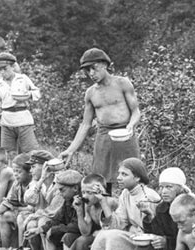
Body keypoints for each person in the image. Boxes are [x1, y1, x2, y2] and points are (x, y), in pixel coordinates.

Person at [59, 48, 141, 191]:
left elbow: (136, 112)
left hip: (125, 135)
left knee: (131, 173)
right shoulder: (90, 93)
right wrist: (70, 150)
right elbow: (85, 124)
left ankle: (131, 207)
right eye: (87, 70)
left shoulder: (122, 83)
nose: (91, 74)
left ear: (104, 65)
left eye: (94, 68)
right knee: (102, 179)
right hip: (104, 136)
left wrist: (131, 126)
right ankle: (106, 208)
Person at [128, 167, 195, 250]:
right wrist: (149, 215)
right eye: (161, 187)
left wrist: (166, 242)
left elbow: (189, 239)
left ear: (180, 188)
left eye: (169, 187)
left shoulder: (191, 206)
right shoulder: (162, 208)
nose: (163, 191)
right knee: (145, 246)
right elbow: (156, 232)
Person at [89, 158, 161, 250]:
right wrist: (102, 200)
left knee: (112, 237)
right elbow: (117, 224)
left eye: (124, 174)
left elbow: (155, 228)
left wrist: (133, 229)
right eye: (119, 173)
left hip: (149, 244)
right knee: (104, 234)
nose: (118, 177)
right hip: (133, 236)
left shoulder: (149, 196)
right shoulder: (126, 193)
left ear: (137, 178)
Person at [0, 52, 41, 155]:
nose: (2, 72)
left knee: (30, 152)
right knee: (8, 153)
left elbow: (37, 93)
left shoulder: (23, 79)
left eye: (5, 68)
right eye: (0, 69)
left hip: (23, 120)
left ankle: (30, 170)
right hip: (7, 121)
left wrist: (28, 95)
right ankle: (11, 170)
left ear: (13, 66)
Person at [68, 173, 119, 250]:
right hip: (99, 235)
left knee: (85, 241)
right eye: (83, 192)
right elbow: (85, 232)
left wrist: (100, 232)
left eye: (89, 192)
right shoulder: (89, 205)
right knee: (81, 240)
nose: (85, 196)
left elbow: (115, 226)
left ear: (100, 191)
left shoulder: (111, 203)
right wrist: (79, 212)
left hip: (113, 238)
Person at [17, 151, 61, 250]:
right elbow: (28, 200)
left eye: (33, 167)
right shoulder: (36, 182)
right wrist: (41, 179)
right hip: (41, 216)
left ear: (46, 167)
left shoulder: (58, 182)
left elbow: (54, 210)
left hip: (55, 218)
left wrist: (35, 215)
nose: (31, 171)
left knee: (42, 221)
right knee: (31, 224)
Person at [38, 170, 84, 250]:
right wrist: (39, 230)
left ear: (75, 188)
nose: (60, 193)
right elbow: (58, 219)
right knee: (51, 232)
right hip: (73, 231)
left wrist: (57, 229)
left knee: (67, 237)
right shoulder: (68, 200)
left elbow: (76, 226)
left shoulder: (83, 201)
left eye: (62, 190)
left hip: (85, 234)